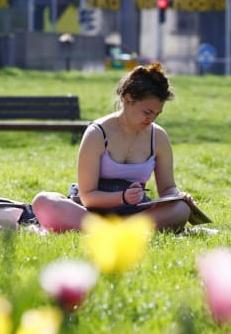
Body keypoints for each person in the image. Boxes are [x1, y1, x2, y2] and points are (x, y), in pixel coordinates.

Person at [32, 62, 193, 232]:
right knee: (44, 202)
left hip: (135, 213)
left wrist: (178, 196)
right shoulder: (97, 133)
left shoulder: (158, 137)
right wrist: (122, 197)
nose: (152, 119)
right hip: (91, 212)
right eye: (147, 112)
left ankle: (113, 231)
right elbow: (87, 197)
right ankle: (120, 230)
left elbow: (167, 188)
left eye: (157, 114)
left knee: (181, 209)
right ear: (128, 99)